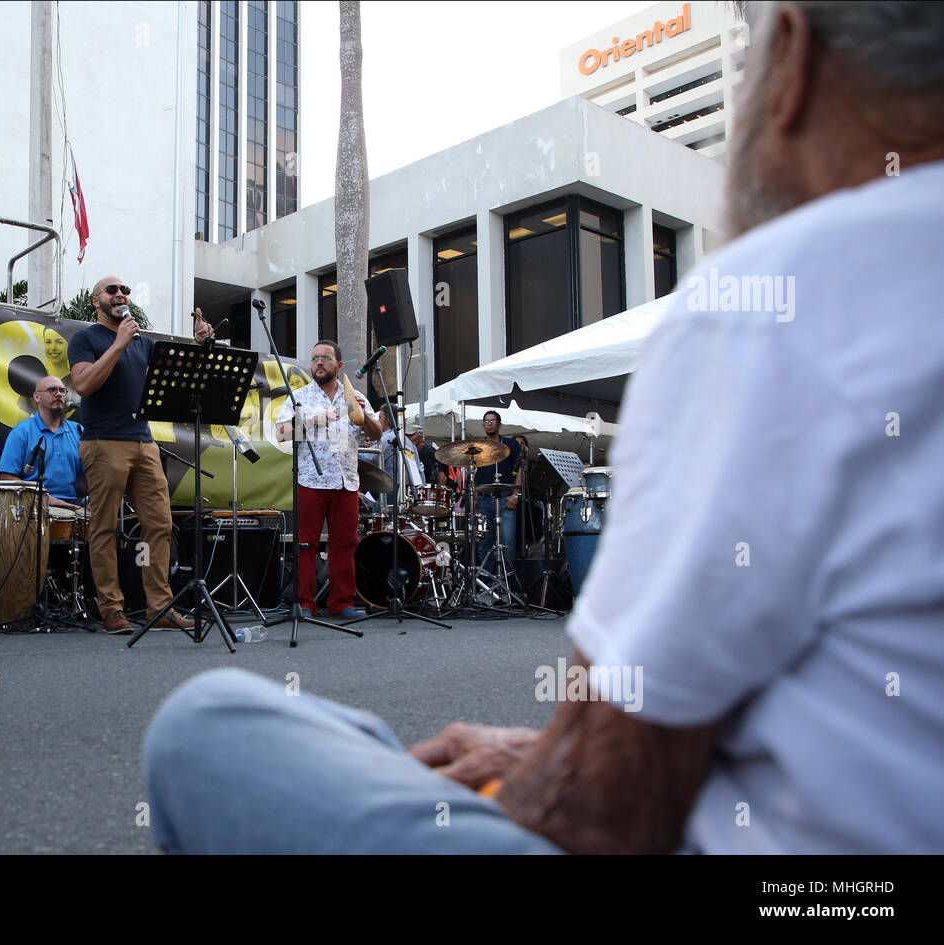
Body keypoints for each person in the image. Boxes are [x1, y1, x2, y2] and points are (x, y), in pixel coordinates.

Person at [144, 0, 944, 853]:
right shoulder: (303, 397)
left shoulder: (778, 294)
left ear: (791, 56)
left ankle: (362, 688)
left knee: (209, 721)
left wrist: (542, 767)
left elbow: (599, 809)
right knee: (363, 688)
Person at [69, 276, 214, 634]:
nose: (121, 295)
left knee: (160, 524)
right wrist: (118, 344)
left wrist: (199, 344)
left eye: (125, 291)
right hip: (104, 441)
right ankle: (112, 609)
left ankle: (159, 607)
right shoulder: (86, 339)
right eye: (112, 291)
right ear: (96, 301)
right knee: (104, 527)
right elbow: (84, 385)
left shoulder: (142, 342)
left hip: (144, 441)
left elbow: (180, 372)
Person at [274, 341, 382, 619]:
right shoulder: (299, 397)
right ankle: (305, 604)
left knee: (345, 544)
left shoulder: (355, 396)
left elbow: (377, 433)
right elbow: (281, 434)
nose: (319, 363)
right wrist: (314, 420)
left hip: (346, 481)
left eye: (325, 358)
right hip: (311, 480)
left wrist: (362, 414)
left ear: (339, 365)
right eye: (314, 359)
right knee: (306, 544)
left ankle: (342, 603)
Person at [0, 376, 85, 508]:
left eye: (62, 391)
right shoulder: (22, 431)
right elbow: (6, 477)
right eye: (52, 390)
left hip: (73, 506)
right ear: (37, 396)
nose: (58, 394)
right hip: (33, 504)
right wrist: (43, 497)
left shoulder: (78, 430)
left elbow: (94, 473)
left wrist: (94, 501)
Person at [474, 411, 521, 571]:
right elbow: (472, 472)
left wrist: (516, 495)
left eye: (493, 420)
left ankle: (508, 580)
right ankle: (487, 579)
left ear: (499, 424)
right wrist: (474, 497)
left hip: (506, 497)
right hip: (484, 499)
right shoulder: (477, 447)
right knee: (484, 541)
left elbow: (520, 469)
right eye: (486, 421)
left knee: (508, 541)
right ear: (483, 425)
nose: (489, 423)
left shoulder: (511, 444)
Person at [376, 408, 422, 509]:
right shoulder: (409, 443)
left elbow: (370, 457)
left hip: (391, 489)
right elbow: (419, 471)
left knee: (380, 518)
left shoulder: (388, 438)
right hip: (407, 489)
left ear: (387, 420)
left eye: (379, 417)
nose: (377, 421)